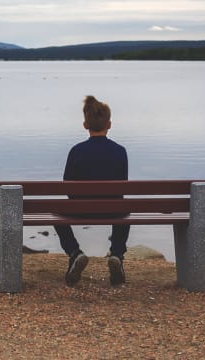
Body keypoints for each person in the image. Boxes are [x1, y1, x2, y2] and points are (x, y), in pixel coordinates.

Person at [56, 95, 130, 287]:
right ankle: (117, 255)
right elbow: (123, 183)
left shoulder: (76, 151)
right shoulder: (120, 151)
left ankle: (75, 253)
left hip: (80, 209)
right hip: (113, 209)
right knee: (125, 210)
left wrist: (80, 201)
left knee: (56, 213)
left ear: (85, 124)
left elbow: (67, 184)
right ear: (110, 124)